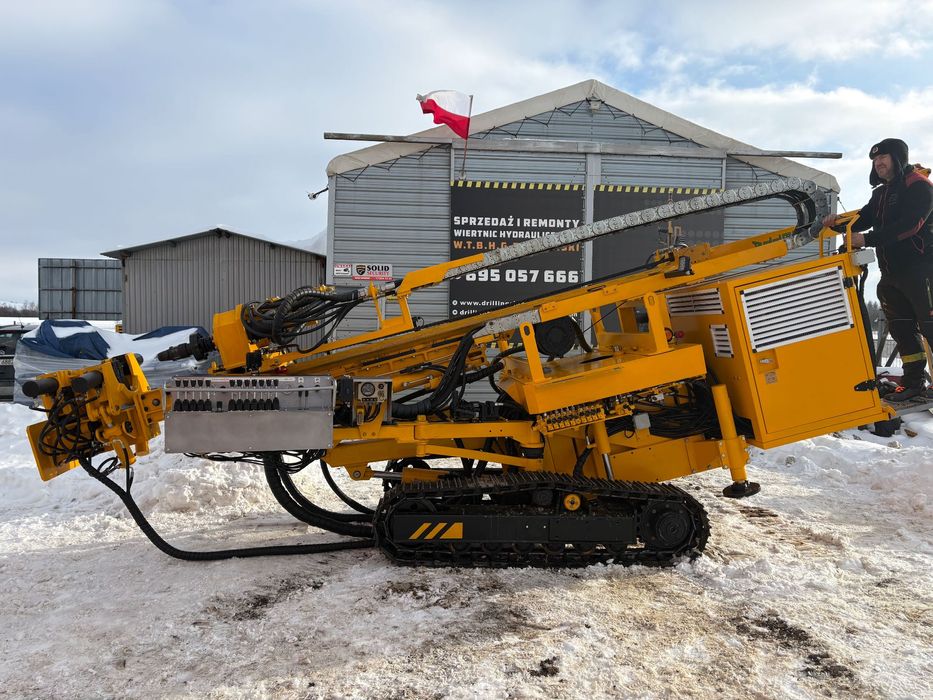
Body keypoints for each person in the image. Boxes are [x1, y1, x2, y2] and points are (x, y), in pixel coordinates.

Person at [823, 138, 933, 401]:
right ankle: (913, 383)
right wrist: (837, 224)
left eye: (883, 157)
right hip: (891, 273)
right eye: (874, 160)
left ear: (898, 158)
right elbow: (863, 219)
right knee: (902, 331)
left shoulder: (918, 186)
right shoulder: (880, 194)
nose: (878, 163)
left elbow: (911, 225)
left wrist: (868, 239)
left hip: (922, 269)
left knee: (930, 327)